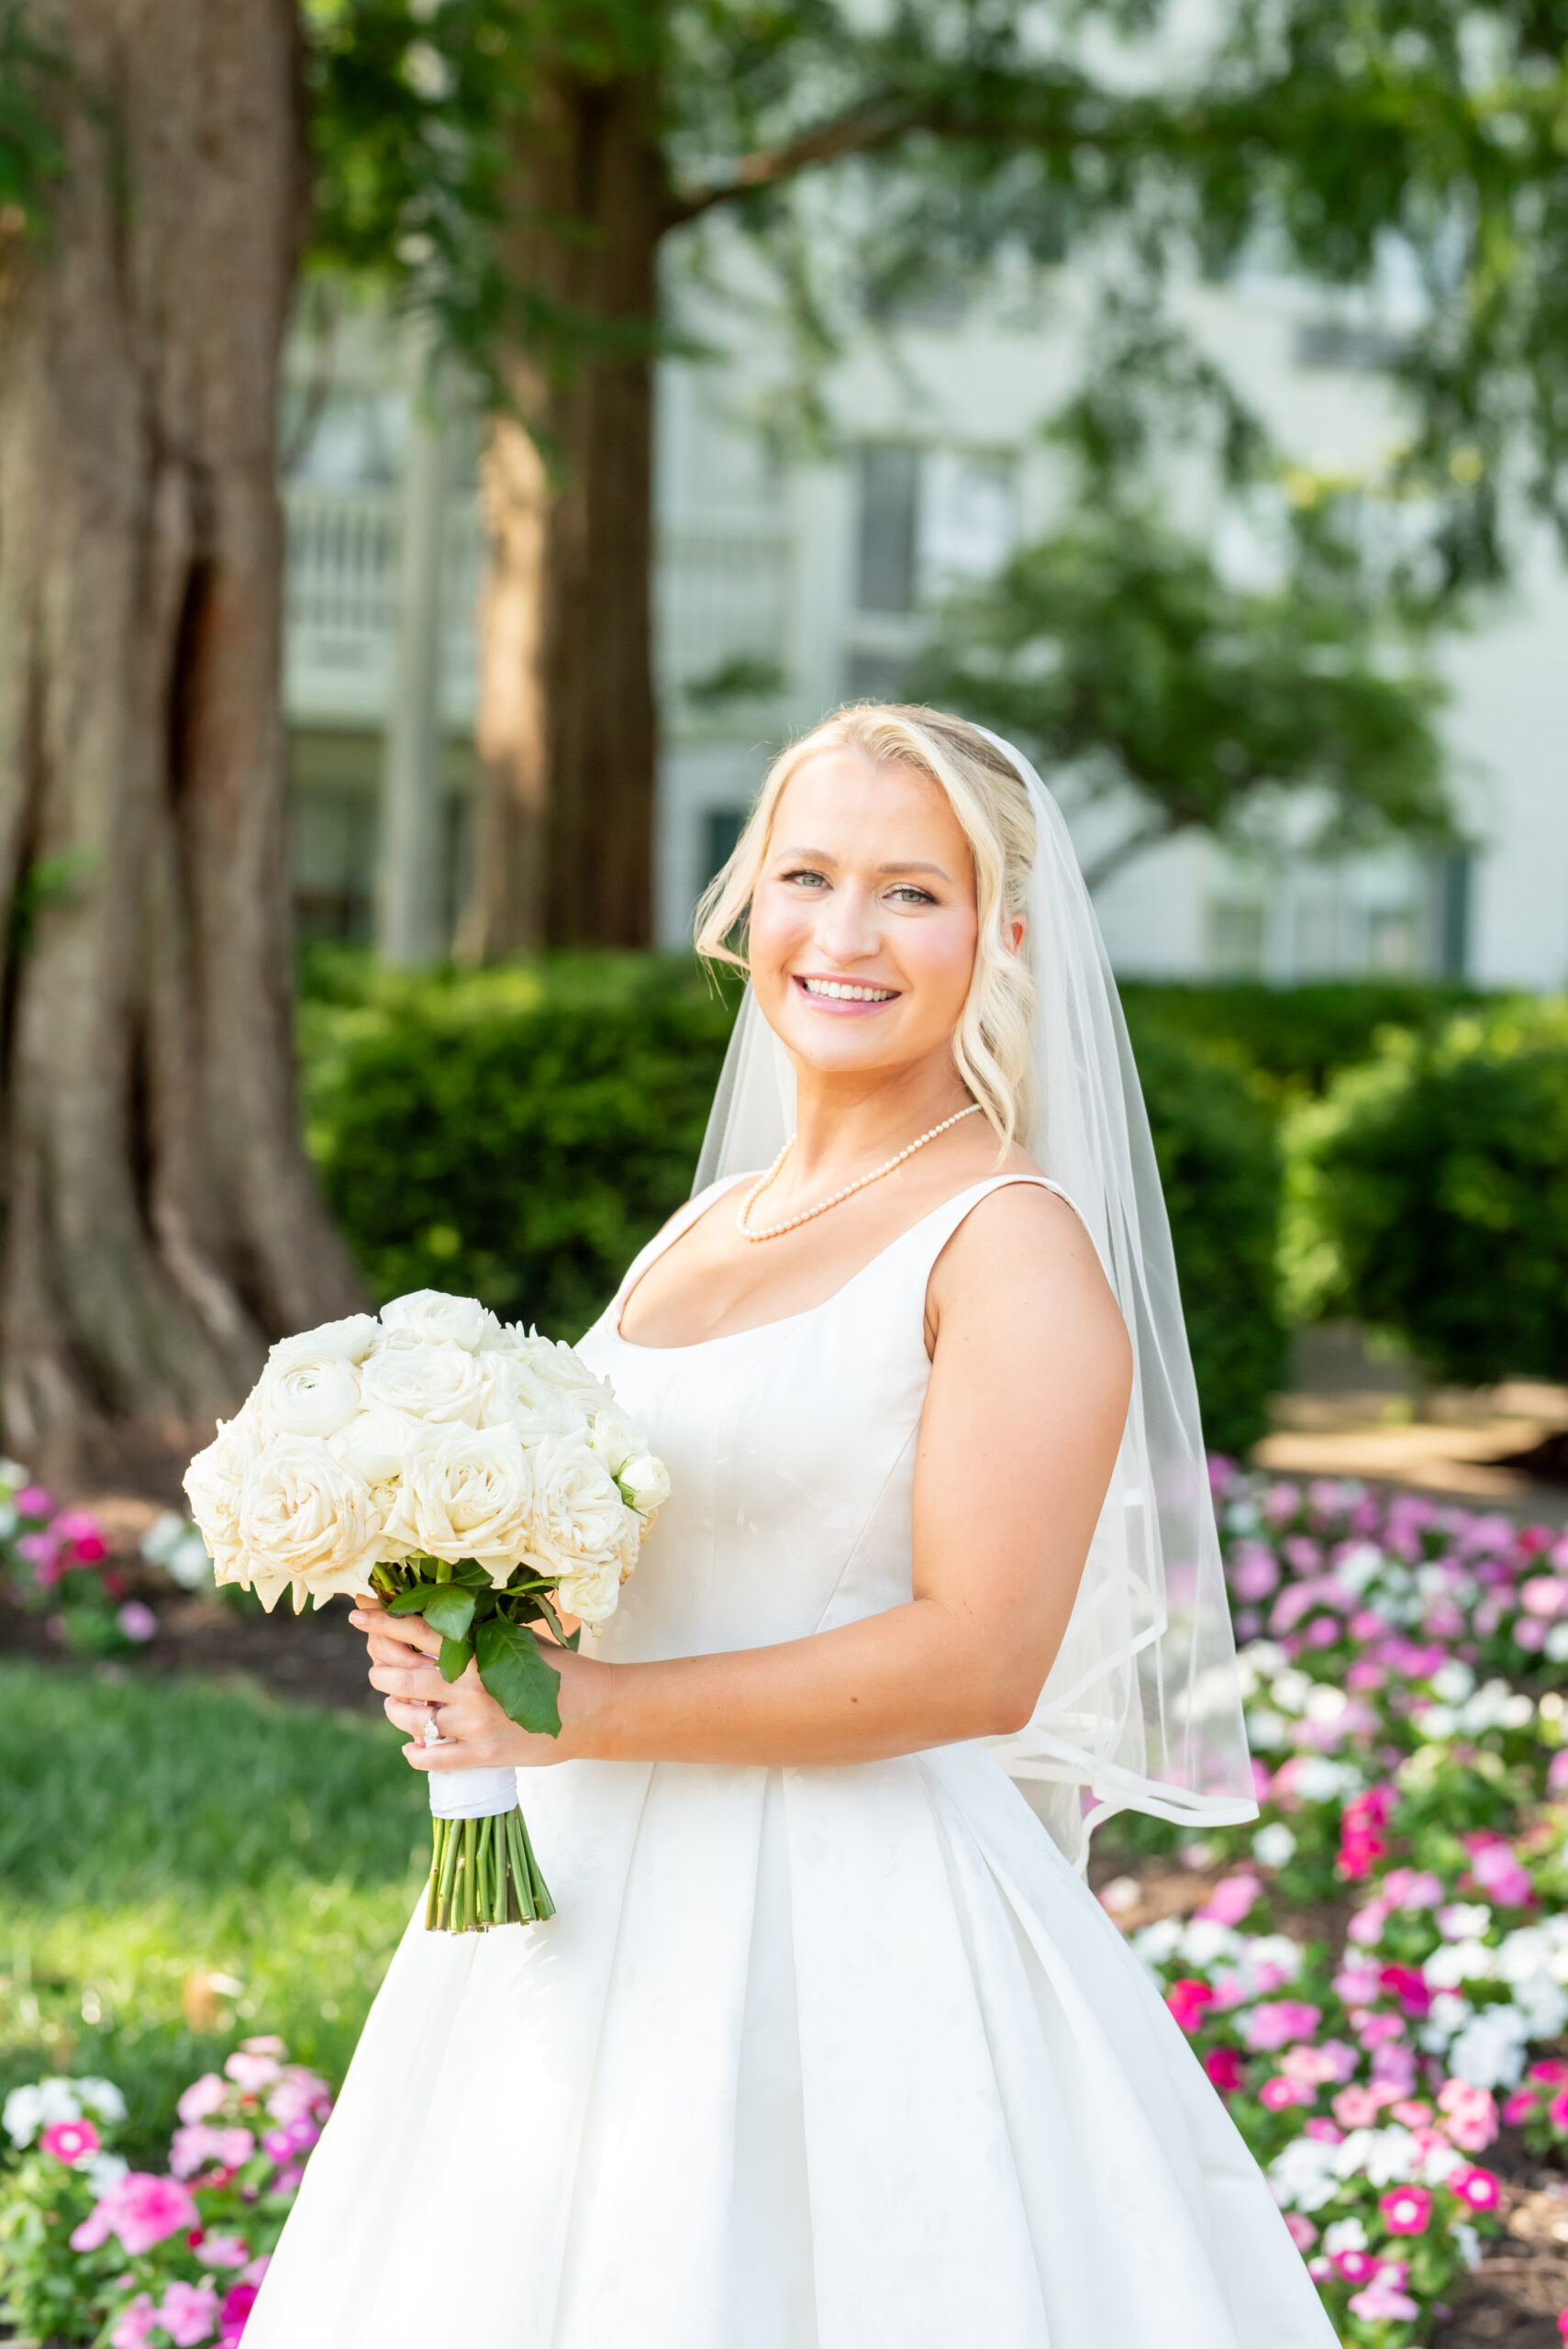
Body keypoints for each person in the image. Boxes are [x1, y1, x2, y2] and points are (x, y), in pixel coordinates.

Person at [245, 707, 1335, 2347]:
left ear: (1004, 937)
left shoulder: (1007, 1244)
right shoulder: (702, 1230)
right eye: (806, 873)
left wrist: (589, 1713)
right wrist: (464, 1630)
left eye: (911, 891)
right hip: (583, 1901)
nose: (842, 933)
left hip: (851, 1928)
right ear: (745, 898)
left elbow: (978, 1657)